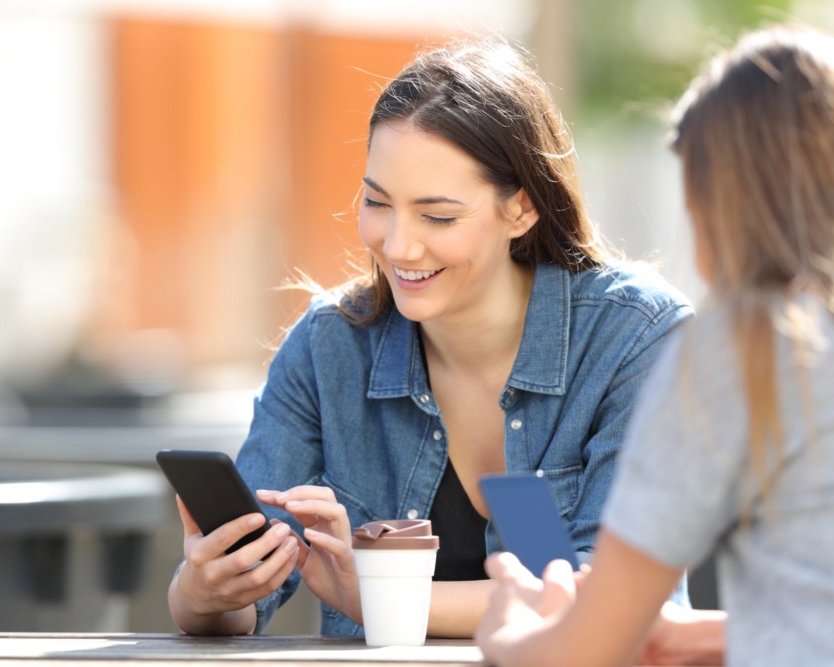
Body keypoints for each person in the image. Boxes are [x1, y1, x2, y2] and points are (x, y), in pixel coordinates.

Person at [167, 37, 693, 638]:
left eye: (437, 216)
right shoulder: (327, 348)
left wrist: (380, 600)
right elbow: (241, 601)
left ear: (520, 210)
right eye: (377, 202)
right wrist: (202, 590)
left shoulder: (634, 338)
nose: (398, 246)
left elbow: (615, 599)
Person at [475, 24, 834, 667]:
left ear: (722, 206)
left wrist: (506, 633)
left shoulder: (749, 347)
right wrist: (711, 637)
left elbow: (585, 654)